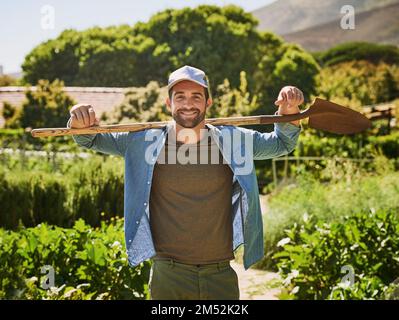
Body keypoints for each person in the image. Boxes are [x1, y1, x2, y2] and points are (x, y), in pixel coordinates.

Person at [67, 65, 303, 300]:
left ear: (208, 103)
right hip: (168, 275)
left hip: (219, 274)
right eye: (180, 97)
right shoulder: (143, 142)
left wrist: (289, 110)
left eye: (196, 96)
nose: (188, 104)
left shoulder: (234, 140)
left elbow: (282, 144)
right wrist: (78, 121)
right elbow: (90, 139)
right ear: (168, 104)